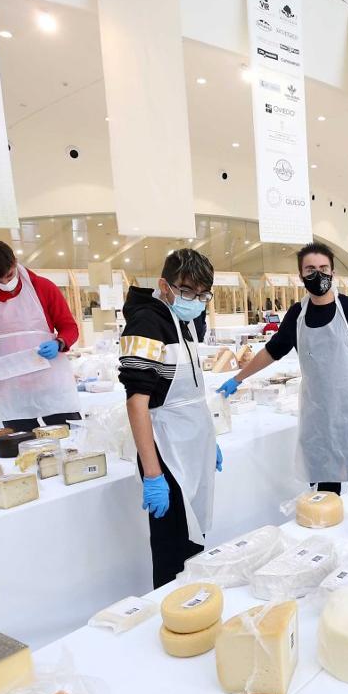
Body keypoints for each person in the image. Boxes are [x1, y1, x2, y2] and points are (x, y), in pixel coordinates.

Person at [218, 242, 348, 494]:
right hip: (318, 416)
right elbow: (272, 350)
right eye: (310, 269)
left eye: (323, 268)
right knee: (325, 492)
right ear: (301, 276)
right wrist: (238, 378)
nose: (317, 274)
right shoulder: (297, 314)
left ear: (333, 272)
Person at [118, 249, 221, 587]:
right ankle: (172, 610)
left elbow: (190, 391)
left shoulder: (184, 320)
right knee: (171, 545)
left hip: (192, 441)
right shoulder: (147, 321)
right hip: (166, 448)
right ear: (164, 284)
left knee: (193, 536)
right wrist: (153, 473)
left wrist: (210, 440)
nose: (195, 300)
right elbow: (137, 402)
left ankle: (194, 605)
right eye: (187, 290)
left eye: (203, 293)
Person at [0, 240, 80, 432]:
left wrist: (60, 343)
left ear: (15, 261)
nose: (5, 283)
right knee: (21, 444)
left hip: (50, 380)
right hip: (11, 386)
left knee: (68, 435)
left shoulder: (43, 288)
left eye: (9, 275)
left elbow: (69, 327)